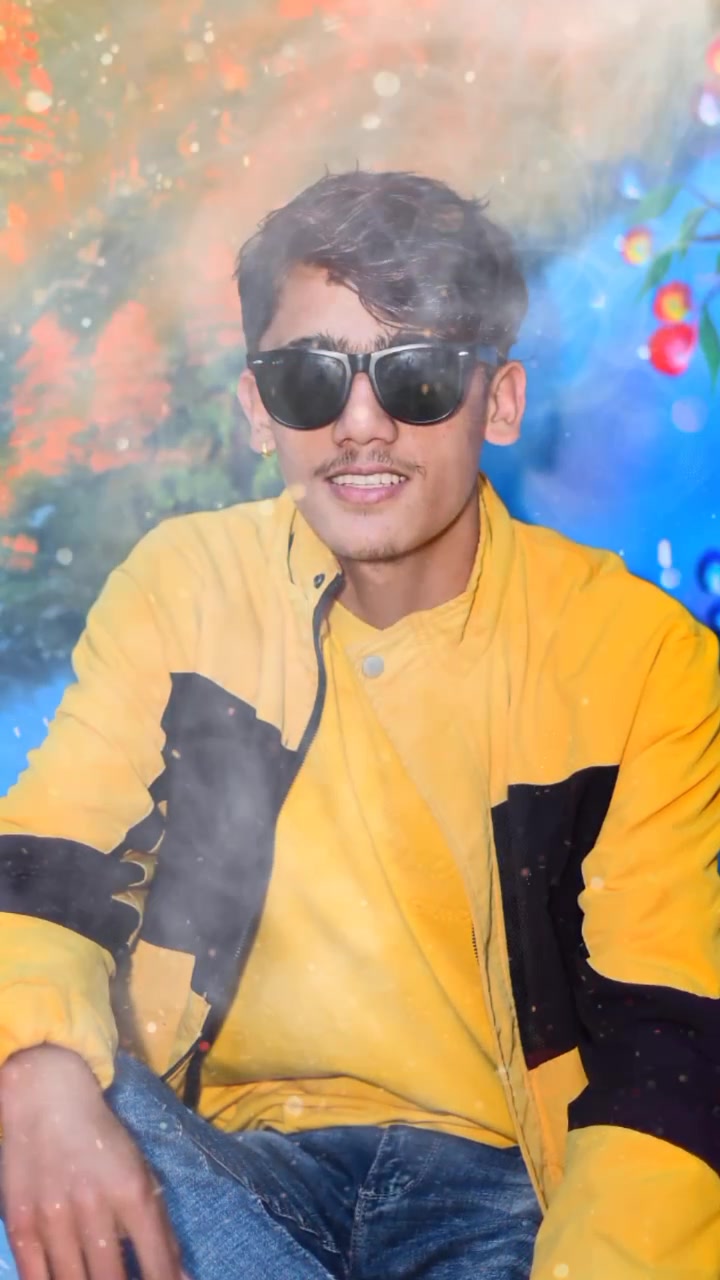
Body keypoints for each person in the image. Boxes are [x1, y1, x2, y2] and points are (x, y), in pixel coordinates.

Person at [0, 169, 718, 1280]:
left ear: (500, 401)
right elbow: (46, 863)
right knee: (35, 1087)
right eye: (310, 378)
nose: (362, 424)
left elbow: (667, 1043)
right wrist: (35, 1074)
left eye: (417, 374)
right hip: (231, 1159)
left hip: (509, 1195)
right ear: (258, 408)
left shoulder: (640, 658)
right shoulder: (184, 588)